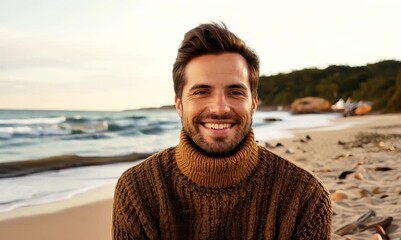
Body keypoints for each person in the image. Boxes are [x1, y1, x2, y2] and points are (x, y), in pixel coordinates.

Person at [112, 22, 332, 239]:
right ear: (179, 105)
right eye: (201, 92)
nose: (219, 108)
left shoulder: (304, 196)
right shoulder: (138, 190)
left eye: (235, 91)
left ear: (253, 103)